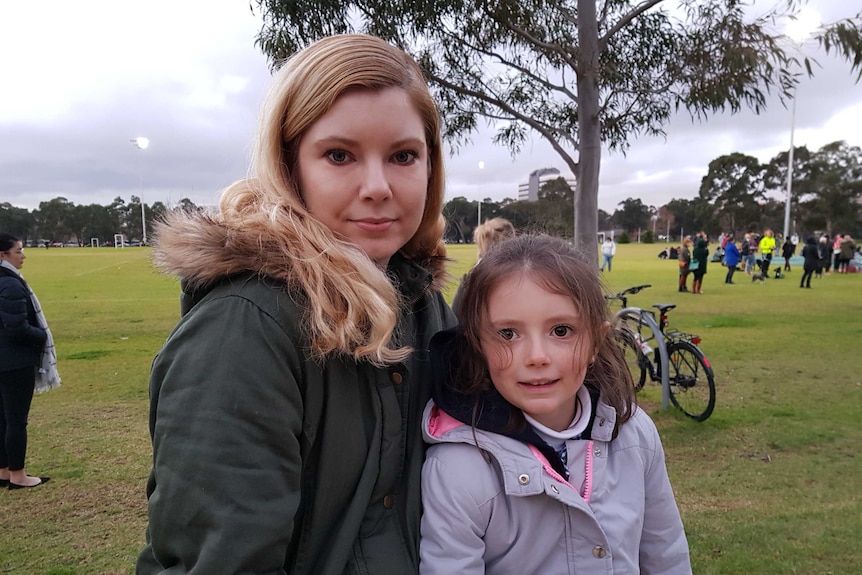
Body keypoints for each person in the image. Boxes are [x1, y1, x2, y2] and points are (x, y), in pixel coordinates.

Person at [136, 34, 456, 575]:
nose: (378, 186)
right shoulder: (244, 327)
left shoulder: (422, 302)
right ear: (290, 166)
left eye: (403, 155)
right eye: (339, 155)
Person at [419, 235, 691, 574]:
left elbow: (666, 554)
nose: (537, 357)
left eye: (561, 330)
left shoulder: (635, 434)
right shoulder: (458, 467)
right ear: (476, 345)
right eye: (508, 334)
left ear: (595, 340)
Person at [0, 233, 59, 490]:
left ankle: (3, 471)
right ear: (3, 255)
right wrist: (42, 336)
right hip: (14, 362)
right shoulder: (10, 284)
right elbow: (17, 328)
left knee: (2, 418)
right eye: (18, 251)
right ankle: (18, 475)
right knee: (15, 420)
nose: (23, 256)